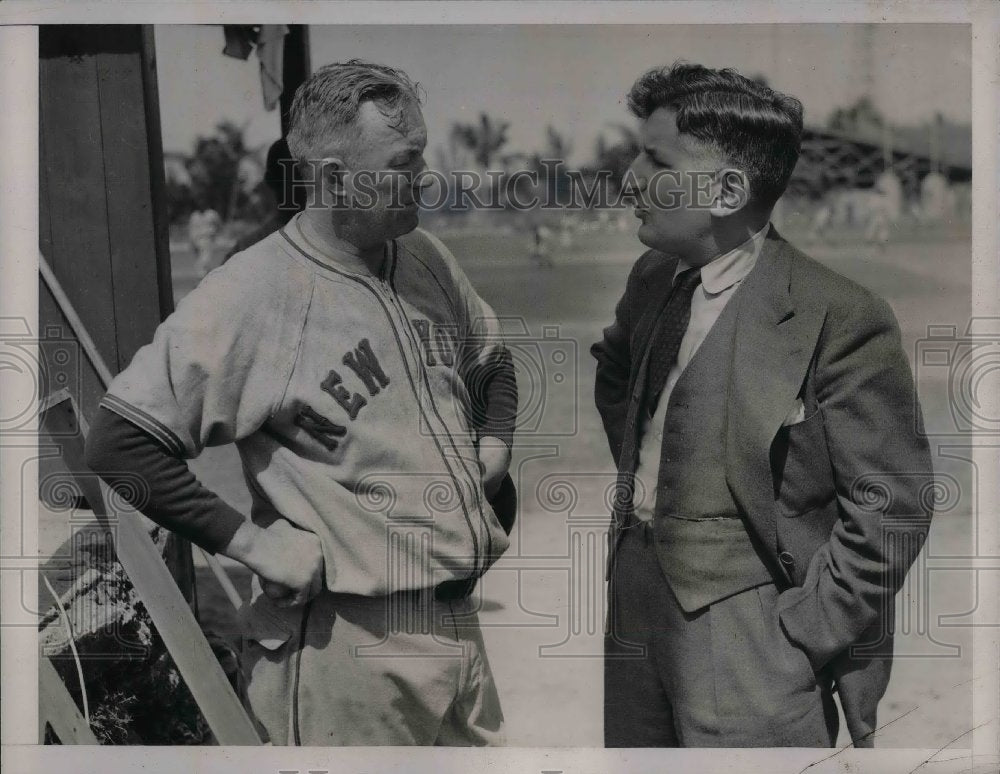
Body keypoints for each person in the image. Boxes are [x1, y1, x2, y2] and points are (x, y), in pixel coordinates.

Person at [86, 60, 518, 746]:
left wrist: (492, 446)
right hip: (344, 645)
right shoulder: (253, 292)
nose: (424, 179)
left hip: (457, 630)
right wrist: (251, 544)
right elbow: (119, 442)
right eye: (404, 164)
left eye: (423, 157)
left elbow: (492, 362)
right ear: (333, 176)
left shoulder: (426, 257)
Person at [592, 62, 933, 748]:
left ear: (725, 190)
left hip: (757, 634)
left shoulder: (839, 314)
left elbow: (893, 504)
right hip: (634, 613)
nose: (629, 178)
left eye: (655, 160)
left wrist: (805, 630)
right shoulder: (655, 276)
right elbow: (616, 373)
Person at [188, 202, 222, 278]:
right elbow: (191, 228)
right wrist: (191, 242)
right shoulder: (194, 215)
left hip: (207, 238)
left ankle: (202, 276)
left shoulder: (212, 214)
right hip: (196, 239)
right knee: (200, 258)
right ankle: (204, 275)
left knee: (205, 258)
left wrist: (215, 233)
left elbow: (219, 224)